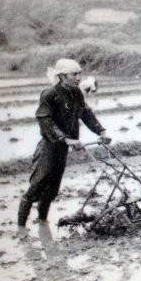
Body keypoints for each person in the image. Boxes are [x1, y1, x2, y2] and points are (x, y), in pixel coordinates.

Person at [17, 59, 112, 228]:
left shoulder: (76, 93)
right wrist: (66, 139)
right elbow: (45, 120)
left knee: (52, 189)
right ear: (62, 76)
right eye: (74, 74)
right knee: (36, 186)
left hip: (63, 149)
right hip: (49, 147)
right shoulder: (50, 94)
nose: (78, 77)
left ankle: (42, 221)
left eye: (79, 73)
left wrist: (101, 131)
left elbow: (86, 113)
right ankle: (21, 228)